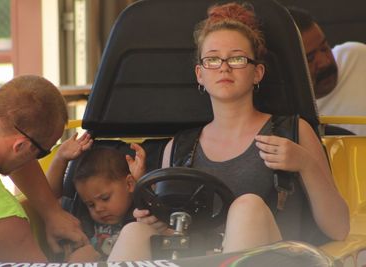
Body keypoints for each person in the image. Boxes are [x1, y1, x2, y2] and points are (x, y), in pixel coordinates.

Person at [107, 3, 349, 261]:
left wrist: (305, 164)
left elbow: (339, 227)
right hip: (199, 258)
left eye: (236, 58)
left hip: (278, 259)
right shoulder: (178, 148)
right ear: (200, 74)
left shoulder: (292, 131)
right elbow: (178, 236)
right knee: (135, 231)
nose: (224, 67)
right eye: (212, 59)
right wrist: (161, 223)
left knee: (247, 208)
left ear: (257, 72)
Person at [0, 75, 90, 262]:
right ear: (20, 146)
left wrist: (52, 212)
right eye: (41, 153)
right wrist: (83, 263)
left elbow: (18, 145)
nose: (34, 160)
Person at [46, 132, 146, 261]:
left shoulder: (141, 211)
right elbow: (50, 200)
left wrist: (141, 184)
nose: (98, 208)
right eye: (90, 205)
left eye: (105, 198)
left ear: (129, 184)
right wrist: (60, 159)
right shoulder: (80, 213)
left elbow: (155, 207)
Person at [288, 7, 366, 136]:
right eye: (310, 58)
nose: (325, 62)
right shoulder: (291, 117)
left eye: (324, 48)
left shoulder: (357, 56)